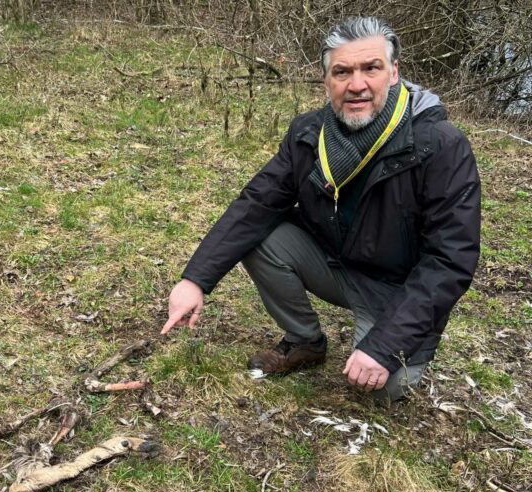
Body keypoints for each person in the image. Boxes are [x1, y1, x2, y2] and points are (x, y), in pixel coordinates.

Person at [160, 16, 481, 402]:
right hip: (339, 264)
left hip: (398, 290)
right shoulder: (308, 133)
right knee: (263, 236)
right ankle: (305, 340)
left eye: (371, 68)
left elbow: (450, 260)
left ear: (394, 72)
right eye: (342, 72)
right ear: (326, 79)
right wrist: (195, 279)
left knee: (381, 391)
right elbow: (257, 203)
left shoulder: (441, 145)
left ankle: (384, 340)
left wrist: (382, 346)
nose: (356, 84)